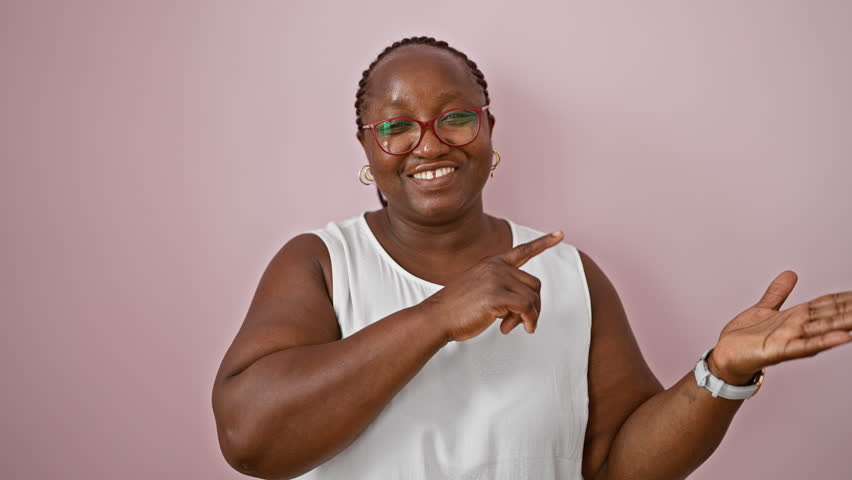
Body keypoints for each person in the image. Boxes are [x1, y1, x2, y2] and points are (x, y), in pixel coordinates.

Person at [211, 36, 852, 479]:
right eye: (397, 126)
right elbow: (251, 441)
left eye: (455, 118)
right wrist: (440, 315)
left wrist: (722, 373)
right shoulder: (322, 263)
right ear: (368, 147)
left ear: (489, 133)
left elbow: (614, 467)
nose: (428, 144)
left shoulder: (570, 274)